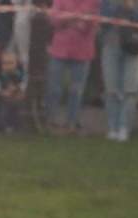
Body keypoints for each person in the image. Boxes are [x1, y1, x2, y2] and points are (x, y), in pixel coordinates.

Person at [44, 0, 99, 134]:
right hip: (60, 48)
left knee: (77, 90)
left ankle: (72, 122)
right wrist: (76, 18)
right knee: (54, 88)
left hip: (83, 50)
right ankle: (50, 120)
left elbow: (92, 24)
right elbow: (54, 20)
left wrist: (68, 18)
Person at [99, 0, 138, 142]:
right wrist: (117, 8)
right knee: (111, 88)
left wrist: (131, 9)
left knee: (130, 89)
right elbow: (101, 20)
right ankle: (112, 127)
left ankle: (124, 127)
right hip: (111, 45)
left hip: (134, 46)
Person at [0, 48, 26, 132]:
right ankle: (1, 127)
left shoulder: (21, 75)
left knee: (20, 109)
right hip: (3, 101)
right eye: (5, 63)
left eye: (11, 63)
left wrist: (18, 89)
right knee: (1, 111)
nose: (8, 66)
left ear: (17, 63)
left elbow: (24, 84)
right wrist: (2, 93)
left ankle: (18, 127)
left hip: (18, 100)